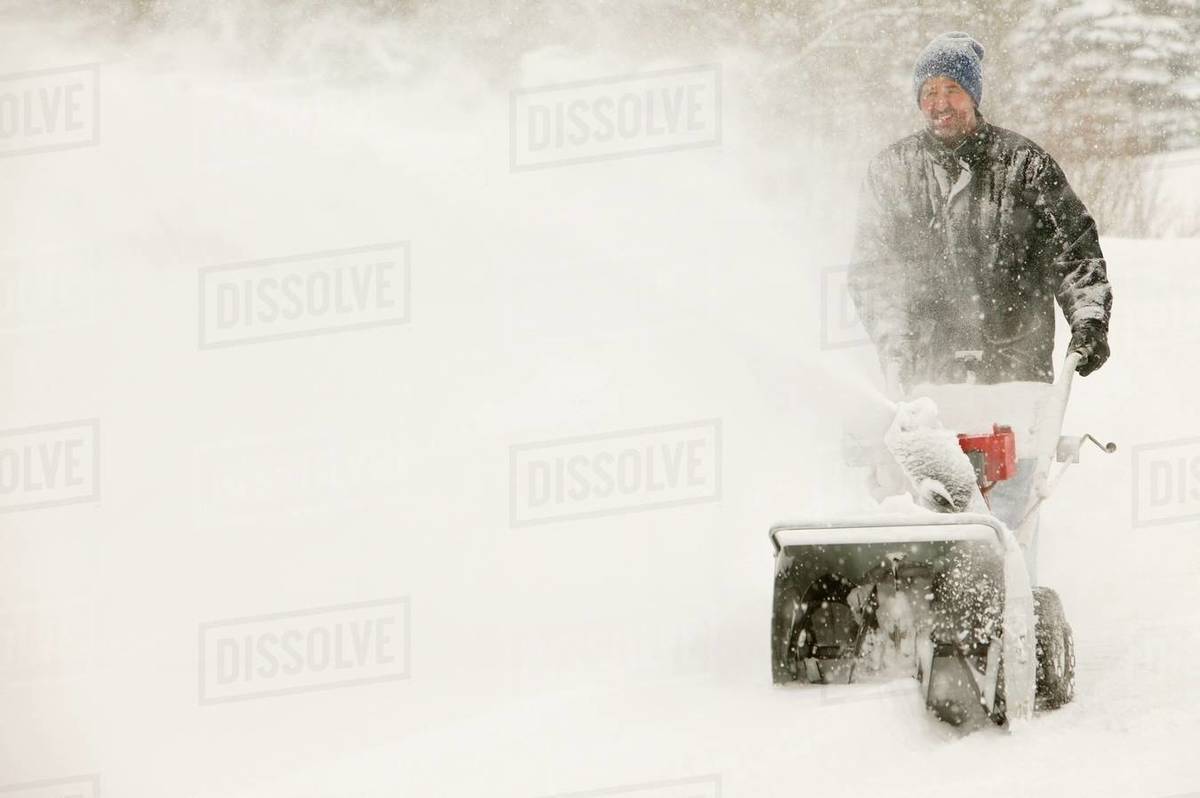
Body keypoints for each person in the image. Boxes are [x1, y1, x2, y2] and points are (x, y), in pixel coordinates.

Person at [848, 32, 1113, 388]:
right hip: (926, 376)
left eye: (952, 89)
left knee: (1017, 445)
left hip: (1017, 372)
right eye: (929, 92)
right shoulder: (893, 171)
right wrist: (895, 344)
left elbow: (1075, 253)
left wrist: (1089, 320)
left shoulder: (1024, 165)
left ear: (973, 95)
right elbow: (873, 270)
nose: (940, 103)